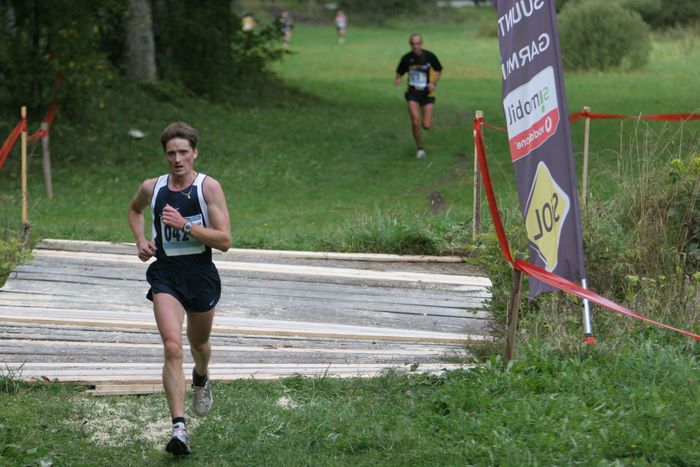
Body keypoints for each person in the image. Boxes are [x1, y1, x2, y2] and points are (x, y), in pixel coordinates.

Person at [127, 122, 232, 456]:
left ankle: (201, 376)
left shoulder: (208, 188)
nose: (177, 159)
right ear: (165, 155)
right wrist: (141, 240)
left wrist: (185, 225)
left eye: (183, 152)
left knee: (199, 344)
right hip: (166, 275)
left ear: (194, 152)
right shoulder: (152, 187)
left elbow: (225, 240)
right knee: (172, 346)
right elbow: (134, 210)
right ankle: (179, 428)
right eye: (171, 153)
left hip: (200, 274)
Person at [394, 33, 443, 158]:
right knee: (415, 121)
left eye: (417, 43)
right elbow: (399, 72)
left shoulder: (429, 56)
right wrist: (398, 79)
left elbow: (439, 70)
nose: (415, 46)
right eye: (413, 43)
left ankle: (425, 123)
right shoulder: (406, 58)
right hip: (412, 93)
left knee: (426, 125)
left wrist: (433, 82)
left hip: (427, 94)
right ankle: (420, 148)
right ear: (410, 44)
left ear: (421, 43)